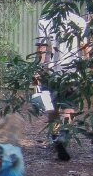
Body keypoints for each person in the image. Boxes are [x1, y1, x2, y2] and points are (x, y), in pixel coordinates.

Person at [34, 11, 88, 161]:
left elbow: (42, 49)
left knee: (52, 108)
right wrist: (89, 67)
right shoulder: (79, 21)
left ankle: (55, 137)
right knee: (69, 107)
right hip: (72, 71)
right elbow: (84, 48)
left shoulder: (44, 20)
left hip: (51, 71)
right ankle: (64, 135)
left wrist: (38, 69)